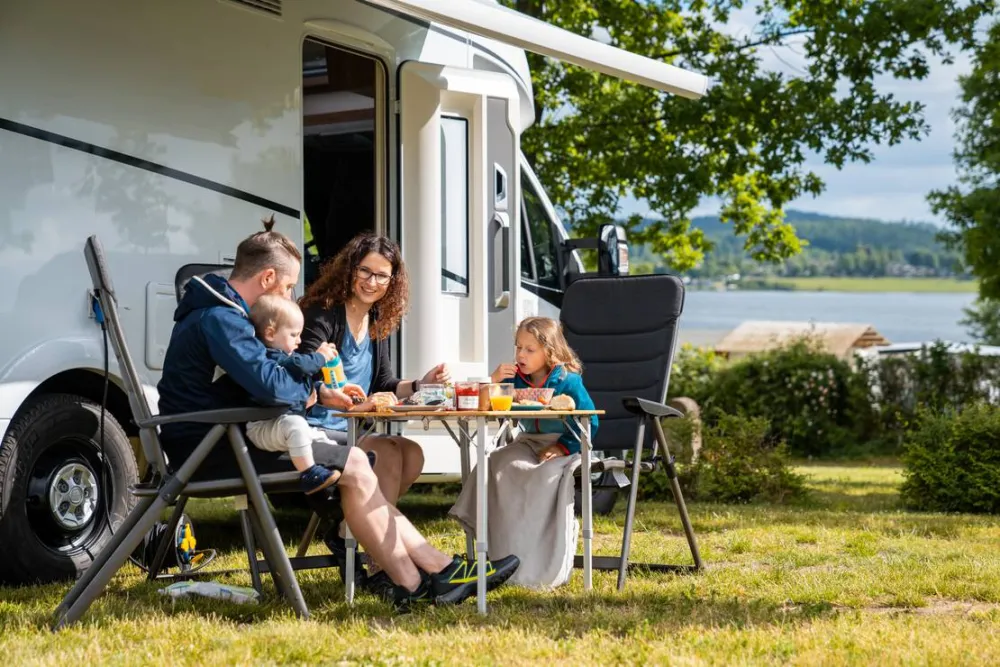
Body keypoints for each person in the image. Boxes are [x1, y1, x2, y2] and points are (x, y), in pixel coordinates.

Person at [156, 225, 519, 609]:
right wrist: (310, 390)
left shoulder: (220, 314)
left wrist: (300, 388)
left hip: (221, 438)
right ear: (267, 278)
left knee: (364, 461)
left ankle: (424, 579)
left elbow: (274, 381)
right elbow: (275, 386)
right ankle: (429, 575)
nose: (290, 297)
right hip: (210, 449)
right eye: (287, 286)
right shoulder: (223, 319)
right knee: (359, 463)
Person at [297, 233, 449, 574]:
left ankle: (349, 532)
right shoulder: (324, 314)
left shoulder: (376, 323)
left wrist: (422, 384)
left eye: (382, 275)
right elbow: (303, 374)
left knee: (413, 453)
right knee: (390, 451)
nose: (373, 282)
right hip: (318, 427)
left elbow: (384, 383)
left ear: (392, 281)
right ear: (350, 270)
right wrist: (359, 403)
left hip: (352, 428)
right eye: (366, 271)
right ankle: (384, 562)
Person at [450, 317, 598, 589]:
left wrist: (563, 446)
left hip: (564, 444)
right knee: (496, 462)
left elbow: (591, 422)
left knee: (547, 476)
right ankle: (495, 544)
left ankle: (539, 555)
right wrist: (492, 381)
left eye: (529, 350)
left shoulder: (569, 381)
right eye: (518, 347)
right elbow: (484, 407)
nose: (520, 355)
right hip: (528, 441)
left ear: (549, 351)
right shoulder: (513, 381)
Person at [242, 294, 341, 495]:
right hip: (263, 427)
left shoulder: (285, 355)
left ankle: (344, 464)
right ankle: (309, 474)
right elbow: (300, 365)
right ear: (270, 334)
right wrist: (320, 356)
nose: (300, 341)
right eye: (294, 335)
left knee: (315, 433)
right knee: (296, 426)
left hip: (279, 424)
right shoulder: (271, 356)